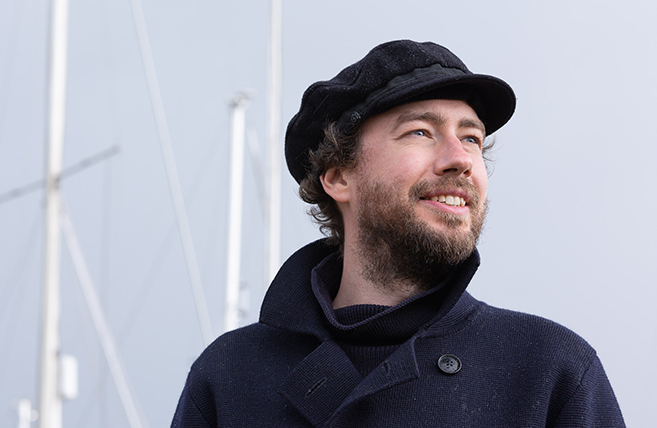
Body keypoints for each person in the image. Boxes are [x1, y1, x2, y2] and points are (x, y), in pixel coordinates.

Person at [171, 40, 625, 427]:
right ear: (338, 176)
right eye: (421, 132)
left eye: (471, 139)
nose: (461, 159)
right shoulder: (231, 377)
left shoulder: (549, 370)